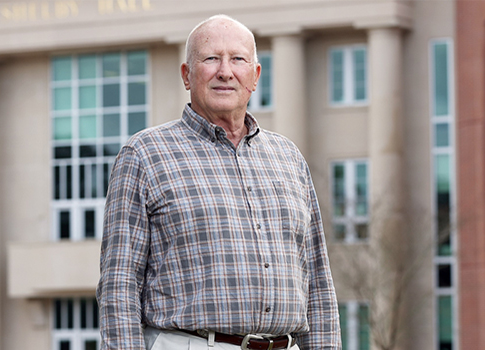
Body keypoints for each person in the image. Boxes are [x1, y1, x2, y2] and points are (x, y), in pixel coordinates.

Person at [96, 14, 340, 350]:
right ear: (186, 75)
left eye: (238, 59)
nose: (225, 71)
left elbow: (317, 282)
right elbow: (119, 285)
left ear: (254, 76)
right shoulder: (144, 154)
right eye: (211, 58)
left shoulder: (289, 157)